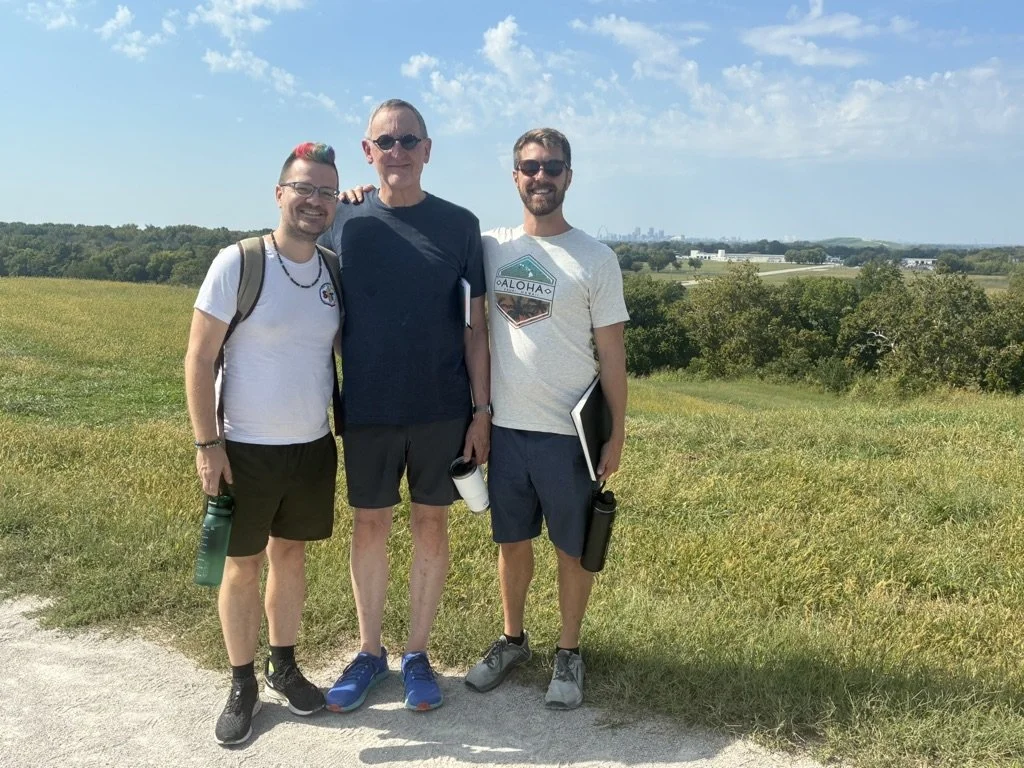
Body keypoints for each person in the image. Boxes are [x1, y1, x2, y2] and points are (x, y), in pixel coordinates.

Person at [319, 99, 490, 713]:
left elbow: (476, 328)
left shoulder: (460, 225)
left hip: (442, 406)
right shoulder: (343, 220)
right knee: (369, 524)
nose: (397, 152)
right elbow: (290, 226)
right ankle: (369, 653)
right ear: (367, 151)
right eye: (384, 142)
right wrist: (345, 199)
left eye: (407, 140)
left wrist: (482, 411)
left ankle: (416, 654)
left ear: (428, 149)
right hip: (365, 404)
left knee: (431, 524)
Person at [184, 142, 344, 745]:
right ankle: (242, 681)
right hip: (244, 447)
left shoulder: (331, 269)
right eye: (304, 188)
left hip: (311, 445)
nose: (315, 201)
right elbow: (198, 358)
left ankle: (284, 663)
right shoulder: (240, 261)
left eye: (327, 192)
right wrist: (208, 443)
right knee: (241, 564)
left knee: (291, 558)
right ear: (280, 193)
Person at [464, 128, 629, 710]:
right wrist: (360, 201)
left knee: (571, 547)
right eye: (530, 168)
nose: (541, 177)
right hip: (506, 429)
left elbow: (613, 356)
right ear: (515, 178)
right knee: (511, 543)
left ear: (569, 176)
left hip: (569, 436)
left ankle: (568, 651)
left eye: (552, 167)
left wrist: (616, 434)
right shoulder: (489, 246)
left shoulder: (595, 257)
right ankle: (512, 641)